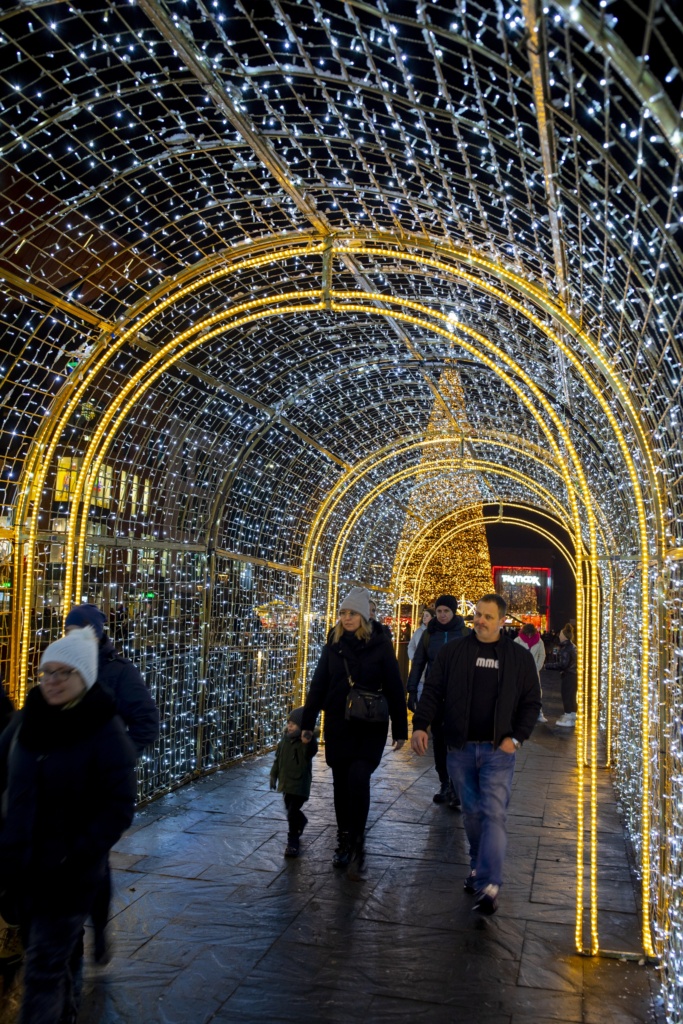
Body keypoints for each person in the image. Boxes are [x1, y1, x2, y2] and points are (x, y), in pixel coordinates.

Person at [0, 626, 137, 1023]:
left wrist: (74, 854)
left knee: (41, 967)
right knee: (47, 961)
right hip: (21, 868)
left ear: (84, 677)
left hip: (67, 876)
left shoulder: (104, 729)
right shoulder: (28, 721)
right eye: (47, 672)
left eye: (65, 673)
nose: (53, 681)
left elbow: (118, 806)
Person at [411, 593, 541, 915]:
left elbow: (531, 702)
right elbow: (434, 690)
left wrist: (517, 738)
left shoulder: (518, 658)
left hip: (499, 750)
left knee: (494, 812)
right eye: (478, 615)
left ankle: (489, 882)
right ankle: (476, 863)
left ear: (501, 621)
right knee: (472, 813)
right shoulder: (454, 652)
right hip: (461, 748)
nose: (480, 620)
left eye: (488, 616)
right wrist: (421, 724)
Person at [65, 603, 159, 962]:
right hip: (63, 784)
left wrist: (118, 758)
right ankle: (70, 942)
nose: (75, 637)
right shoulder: (61, 668)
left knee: (94, 862)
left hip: (97, 788)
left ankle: (97, 929)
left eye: (81, 630)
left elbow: (147, 720)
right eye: (69, 630)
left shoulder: (119, 673)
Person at [301, 586, 407, 880]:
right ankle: (344, 838)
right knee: (340, 783)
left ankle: (357, 837)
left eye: (352, 613)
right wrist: (308, 723)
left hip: (370, 725)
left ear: (363, 616)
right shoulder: (332, 646)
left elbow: (395, 688)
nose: (347, 618)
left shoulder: (382, 645)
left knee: (358, 779)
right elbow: (318, 686)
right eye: (343, 613)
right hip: (338, 723)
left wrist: (401, 729)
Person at [406, 596, 467, 807]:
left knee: (458, 740)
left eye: (446, 611)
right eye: (439, 611)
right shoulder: (429, 634)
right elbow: (419, 663)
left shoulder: (465, 633)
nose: (442, 615)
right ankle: (444, 783)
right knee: (439, 741)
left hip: (460, 696)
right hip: (436, 694)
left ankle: (457, 784)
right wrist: (412, 690)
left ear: (453, 613)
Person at [270, 706, 318, 858]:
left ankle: (292, 842)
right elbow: (278, 759)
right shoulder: (284, 740)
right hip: (286, 783)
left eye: (294, 724)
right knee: (290, 810)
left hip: (299, 784)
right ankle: (301, 821)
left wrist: (308, 739)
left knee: (291, 813)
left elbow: (311, 751)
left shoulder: (305, 744)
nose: (289, 726)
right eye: (289, 722)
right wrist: (273, 775)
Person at [514, 623, 547, 722]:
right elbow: (513, 655)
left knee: (536, 692)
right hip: (521, 671)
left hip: (534, 670)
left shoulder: (539, 641)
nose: (529, 635)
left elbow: (542, 655)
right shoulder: (517, 641)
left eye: (531, 633)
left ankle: (539, 713)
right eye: (527, 633)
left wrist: (537, 667)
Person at [553, 624, 578, 727]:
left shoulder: (566, 648)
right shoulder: (572, 646)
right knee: (572, 696)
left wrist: (547, 666)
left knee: (566, 695)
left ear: (564, 636)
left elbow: (562, 664)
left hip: (568, 675)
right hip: (574, 674)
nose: (559, 636)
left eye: (561, 634)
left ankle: (568, 717)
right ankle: (572, 714)